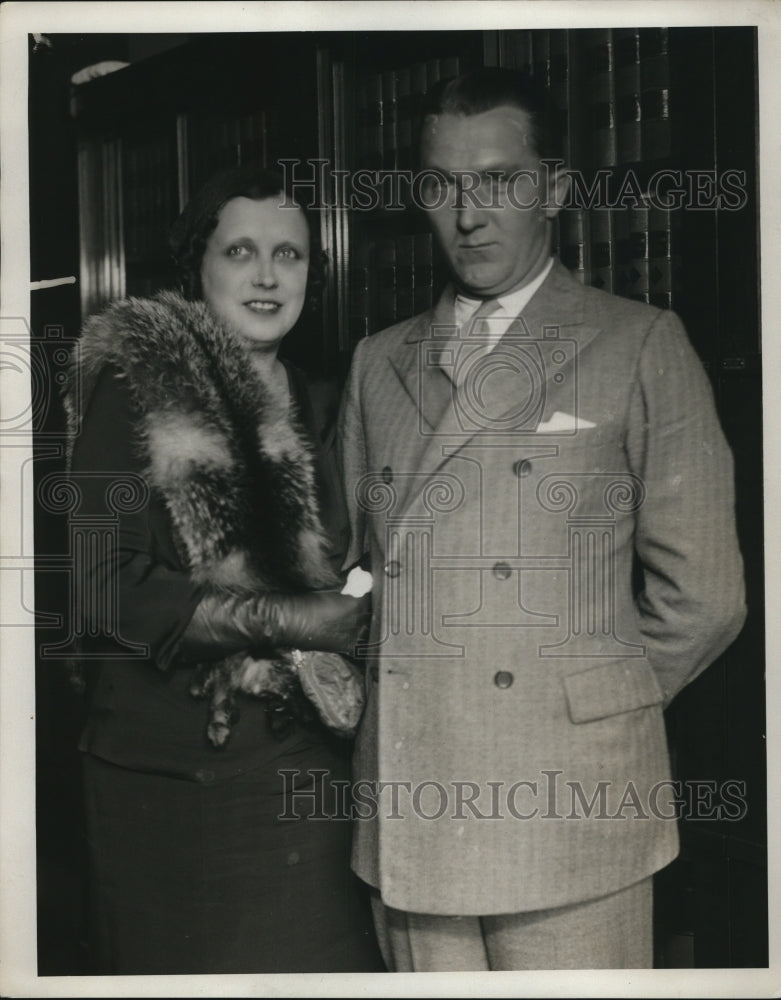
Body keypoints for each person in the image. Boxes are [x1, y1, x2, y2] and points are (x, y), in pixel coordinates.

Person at [337, 68, 747, 970]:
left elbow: (706, 596)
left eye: (499, 181)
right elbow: (354, 564)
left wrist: (588, 708)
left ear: (554, 190)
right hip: (413, 799)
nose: (468, 213)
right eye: (442, 186)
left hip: (568, 805)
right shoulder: (377, 363)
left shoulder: (638, 342)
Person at [63, 165, 383, 974]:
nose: (269, 276)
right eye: (241, 250)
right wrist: (295, 618)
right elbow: (99, 591)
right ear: (196, 265)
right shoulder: (129, 390)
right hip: (172, 788)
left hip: (309, 780)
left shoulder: (327, 402)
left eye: (291, 254)